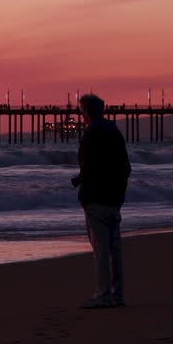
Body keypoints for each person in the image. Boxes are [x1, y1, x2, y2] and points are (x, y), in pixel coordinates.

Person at [71, 93, 131, 308]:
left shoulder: (90, 133)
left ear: (85, 113)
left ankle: (103, 295)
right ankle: (118, 295)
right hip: (115, 197)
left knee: (100, 249)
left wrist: (81, 185)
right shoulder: (114, 132)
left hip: (95, 198)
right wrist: (121, 193)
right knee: (115, 249)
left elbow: (88, 166)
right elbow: (125, 167)